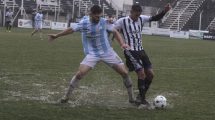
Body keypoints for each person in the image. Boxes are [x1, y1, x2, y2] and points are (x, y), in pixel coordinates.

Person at [48, 5, 135, 104]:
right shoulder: (84, 23)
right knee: (79, 74)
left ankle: (131, 99)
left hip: (107, 52)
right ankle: (66, 97)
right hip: (93, 54)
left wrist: (122, 43)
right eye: (96, 16)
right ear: (91, 14)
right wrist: (56, 35)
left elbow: (115, 32)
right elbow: (71, 30)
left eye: (100, 16)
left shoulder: (104, 22)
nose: (99, 18)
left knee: (125, 73)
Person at [114, 4, 171, 106]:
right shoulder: (122, 21)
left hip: (141, 50)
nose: (137, 17)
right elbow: (111, 28)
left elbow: (155, 18)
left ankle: (140, 96)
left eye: (139, 15)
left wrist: (164, 11)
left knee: (150, 74)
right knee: (141, 73)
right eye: (136, 15)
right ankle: (142, 100)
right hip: (130, 51)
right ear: (131, 12)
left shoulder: (141, 18)